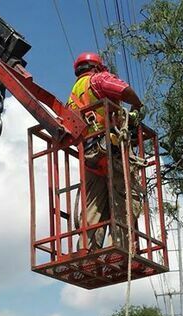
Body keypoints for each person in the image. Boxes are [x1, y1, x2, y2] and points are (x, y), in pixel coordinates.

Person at [67, 51, 143, 252]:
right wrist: (137, 106)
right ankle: (121, 248)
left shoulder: (73, 95)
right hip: (111, 148)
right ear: (96, 67)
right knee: (126, 198)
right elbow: (124, 90)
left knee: (93, 204)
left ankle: (87, 249)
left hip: (89, 155)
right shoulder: (98, 79)